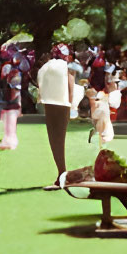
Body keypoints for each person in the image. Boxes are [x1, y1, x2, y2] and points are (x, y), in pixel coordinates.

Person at [37, 42, 76, 188]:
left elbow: (41, 84)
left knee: (55, 139)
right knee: (58, 139)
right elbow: (70, 85)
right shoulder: (66, 66)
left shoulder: (47, 67)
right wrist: (71, 105)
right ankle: (62, 173)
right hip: (62, 104)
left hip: (51, 104)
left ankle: (62, 172)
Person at [0, 50, 23, 170]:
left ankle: (10, 142)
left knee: (11, 120)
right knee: (9, 121)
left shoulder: (13, 72)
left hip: (13, 103)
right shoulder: (11, 71)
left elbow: (15, 89)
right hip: (11, 102)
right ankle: (8, 141)